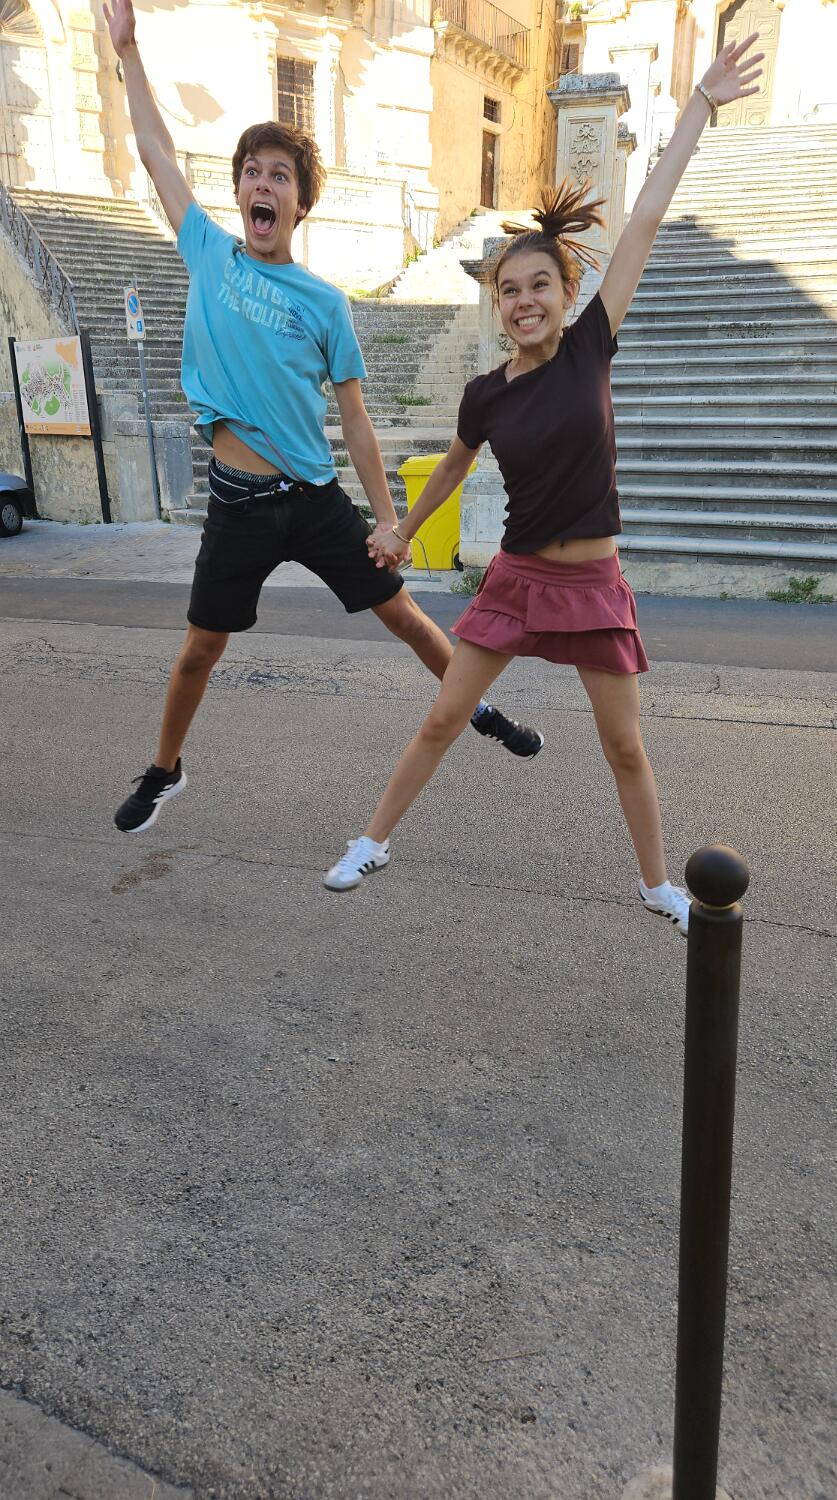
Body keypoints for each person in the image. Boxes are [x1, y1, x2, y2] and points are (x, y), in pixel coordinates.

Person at [323, 35, 764, 932]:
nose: (522, 301)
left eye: (537, 286)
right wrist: (401, 528)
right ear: (498, 305)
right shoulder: (486, 392)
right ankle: (372, 838)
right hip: (518, 579)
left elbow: (643, 219)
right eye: (507, 291)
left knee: (623, 746)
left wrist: (699, 105)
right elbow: (454, 466)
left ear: (566, 292)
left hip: (593, 583)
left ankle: (656, 887)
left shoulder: (591, 345)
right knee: (444, 717)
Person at [104, 0, 543, 836]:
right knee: (200, 650)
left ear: (299, 204)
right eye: (251, 173)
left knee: (404, 616)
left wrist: (388, 521)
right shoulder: (208, 252)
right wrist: (128, 53)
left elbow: (357, 420)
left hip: (311, 499)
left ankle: (478, 711)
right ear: (238, 192)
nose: (262, 185)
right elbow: (155, 151)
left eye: (279, 176)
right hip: (235, 503)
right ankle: (165, 769)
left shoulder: (324, 303)